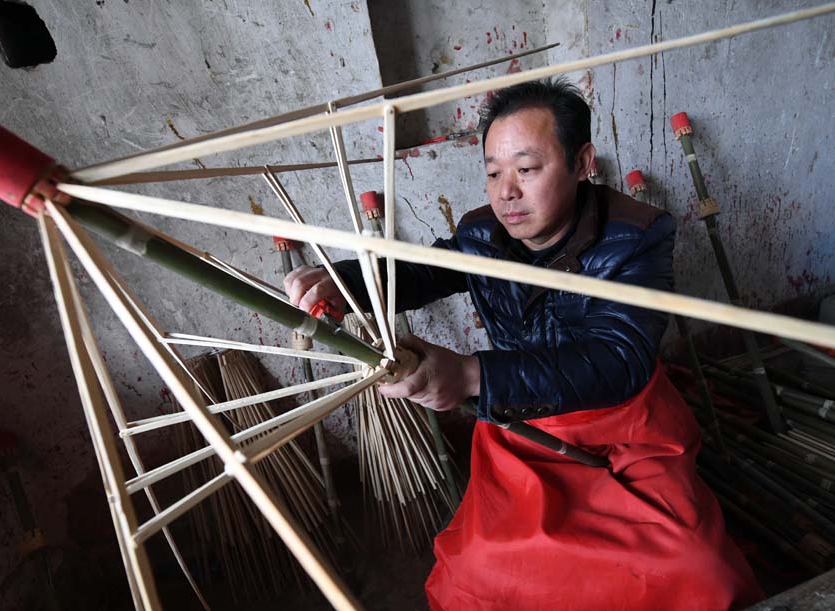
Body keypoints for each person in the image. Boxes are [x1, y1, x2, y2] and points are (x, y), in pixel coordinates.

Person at [285, 79, 763, 610]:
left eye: (526, 169)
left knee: (694, 568)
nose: (505, 191)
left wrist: (473, 377)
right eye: (493, 172)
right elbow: (420, 272)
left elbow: (618, 359)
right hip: (523, 431)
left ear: (582, 162)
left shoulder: (639, 234)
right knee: (479, 567)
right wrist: (346, 282)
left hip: (626, 430)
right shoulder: (481, 236)